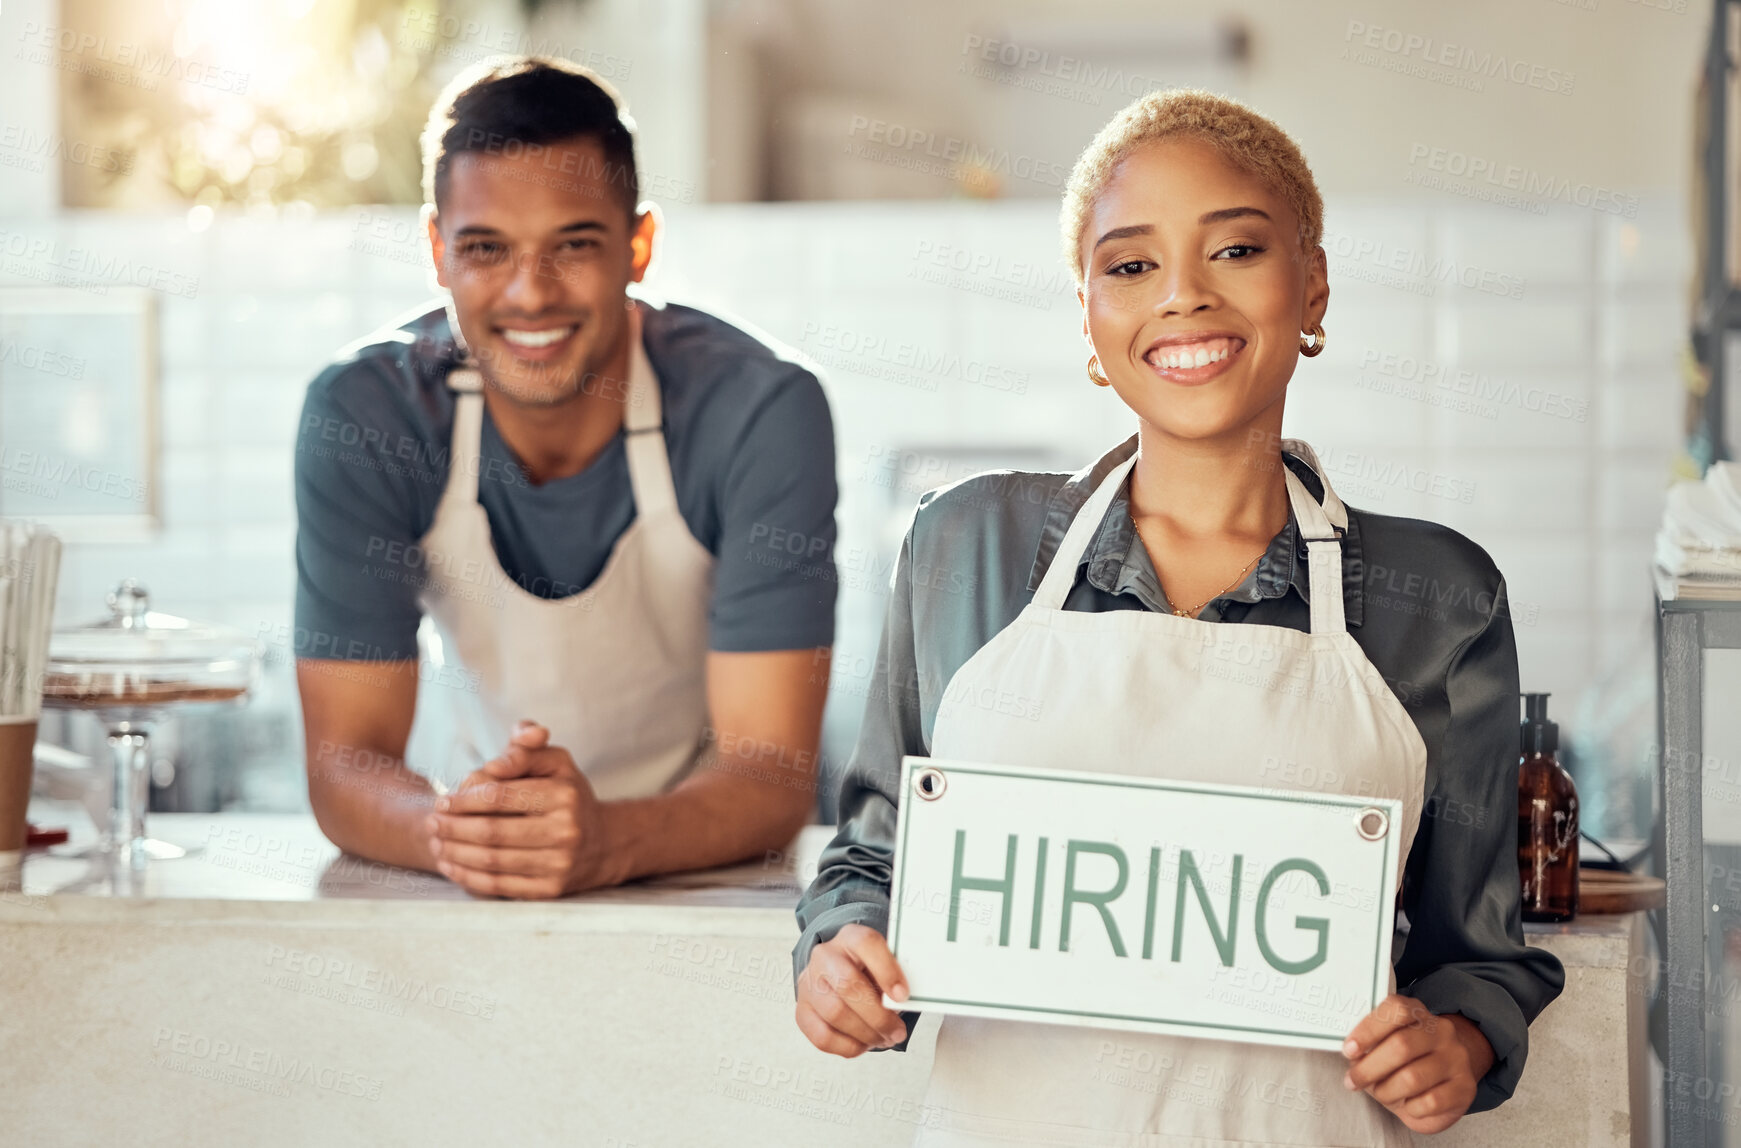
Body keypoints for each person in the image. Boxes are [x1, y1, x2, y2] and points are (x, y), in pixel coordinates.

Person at [792, 88, 1564, 1145]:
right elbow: (873, 865)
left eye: (1236, 250)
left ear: (1313, 285)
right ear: (1088, 318)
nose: (1183, 297)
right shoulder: (963, 546)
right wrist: (842, 956)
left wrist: (1458, 1041)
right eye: (1129, 264)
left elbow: (1472, 953)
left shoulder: (1438, 596)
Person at [292, 57, 837, 898]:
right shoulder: (368, 414)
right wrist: (458, 835)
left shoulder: (759, 409)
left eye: (573, 245)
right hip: (472, 863)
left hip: (706, 876)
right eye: (485, 249)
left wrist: (607, 841)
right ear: (438, 251)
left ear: (639, 245)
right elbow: (344, 763)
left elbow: (770, 777)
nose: (529, 293)